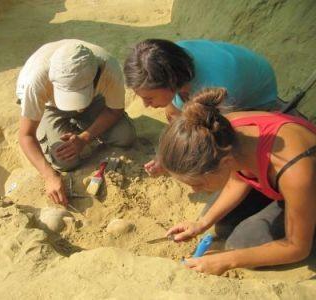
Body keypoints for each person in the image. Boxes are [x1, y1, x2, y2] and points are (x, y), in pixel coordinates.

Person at [157, 88, 316, 275]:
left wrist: (228, 260)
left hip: (305, 187)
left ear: (225, 163)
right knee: (221, 223)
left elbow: (296, 247)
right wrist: (201, 224)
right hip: (278, 181)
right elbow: (240, 177)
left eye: (198, 183)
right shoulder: (217, 131)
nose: (194, 190)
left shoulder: (294, 172)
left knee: (241, 243)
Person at [123, 39, 278, 176]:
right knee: (172, 114)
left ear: (170, 83)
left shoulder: (217, 88)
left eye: (149, 98)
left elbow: (213, 134)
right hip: (233, 80)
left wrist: (175, 157)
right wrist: (165, 155)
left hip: (257, 101)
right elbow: (176, 115)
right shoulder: (166, 59)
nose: (145, 104)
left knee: (213, 149)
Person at [16, 39, 136, 206]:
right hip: (49, 106)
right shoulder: (35, 81)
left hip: (94, 100)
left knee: (124, 136)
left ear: (95, 77)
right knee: (65, 161)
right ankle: (60, 127)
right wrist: (49, 176)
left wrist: (84, 138)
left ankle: (80, 125)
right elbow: (25, 135)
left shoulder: (109, 67)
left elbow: (114, 110)